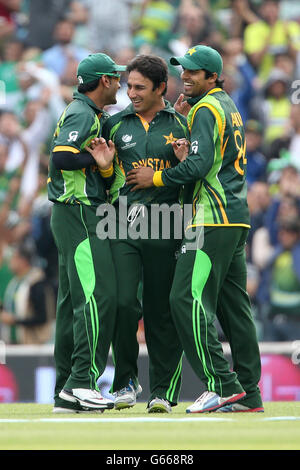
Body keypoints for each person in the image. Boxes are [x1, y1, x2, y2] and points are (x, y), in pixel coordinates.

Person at [126, 45, 264, 413]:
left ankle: (223, 384)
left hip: (212, 218)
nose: (184, 77)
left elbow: (199, 166)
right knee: (234, 308)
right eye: (183, 70)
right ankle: (249, 393)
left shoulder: (206, 108)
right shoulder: (227, 105)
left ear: (212, 76)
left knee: (183, 299)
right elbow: (210, 157)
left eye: (193, 72)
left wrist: (154, 176)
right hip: (235, 217)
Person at [100, 54, 188, 413]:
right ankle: (125, 382)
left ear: (161, 88)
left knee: (160, 311)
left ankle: (163, 391)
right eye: (129, 86)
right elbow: (103, 178)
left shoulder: (182, 125)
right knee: (122, 303)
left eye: (139, 87)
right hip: (122, 224)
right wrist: (106, 171)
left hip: (168, 225)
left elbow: (197, 172)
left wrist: (182, 166)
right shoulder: (115, 125)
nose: (131, 93)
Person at [48, 52, 126, 413]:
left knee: (71, 304)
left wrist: (102, 166)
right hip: (78, 212)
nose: (121, 82)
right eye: (116, 76)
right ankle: (81, 382)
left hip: (72, 213)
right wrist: (94, 160)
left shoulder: (88, 112)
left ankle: (65, 387)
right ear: (104, 81)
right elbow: (61, 156)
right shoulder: (83, 112)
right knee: (98, 297)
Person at [0, 242, 55, 345]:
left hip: (33, 344)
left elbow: (43, 317)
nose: (10, 262)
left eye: (13, 258)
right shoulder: (15, 282)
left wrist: (15, 321)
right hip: (12, 342)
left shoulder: (37, 282)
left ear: (23, 261)